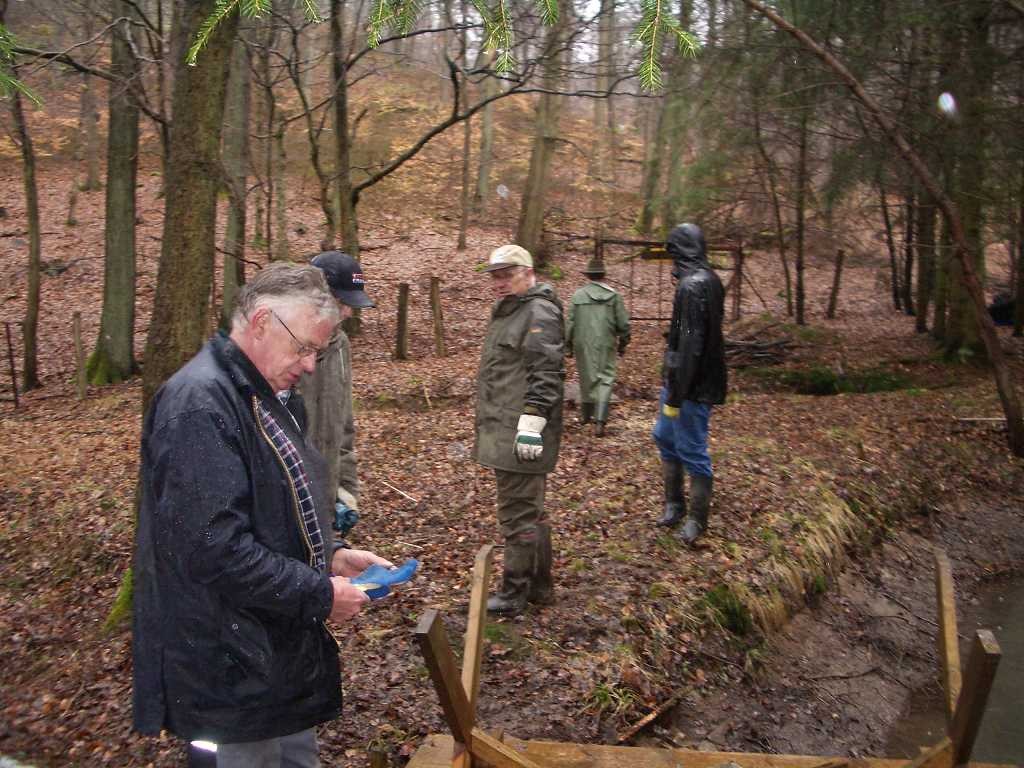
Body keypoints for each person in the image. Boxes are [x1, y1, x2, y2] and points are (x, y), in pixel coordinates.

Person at [132, 263, 392, 767]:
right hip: (227, 663)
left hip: (273, 648)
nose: (311, 365)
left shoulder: (267, 397)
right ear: (261, 323)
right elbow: (214, 548)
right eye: (304, 348)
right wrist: (317, 594)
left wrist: (331, 555)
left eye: (318, 351)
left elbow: (275, 508)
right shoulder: (200, 406)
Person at [474, 244, 565, 616]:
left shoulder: (537, 311)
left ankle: (515, 593)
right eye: (495, 275)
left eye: (507, 274)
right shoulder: (512, 310)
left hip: (519, 430)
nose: (499, 282)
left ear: (528, 273)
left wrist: (531, 423)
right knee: (530, 511)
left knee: (518, 514)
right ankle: (540, 586)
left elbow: (547, 373)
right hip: (504, 426)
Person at [653, 223, 727, 545]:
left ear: (680, 251)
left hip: (691, 387)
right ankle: (674, 504)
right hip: (686, 381)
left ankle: (697, 519)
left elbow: (690, 345)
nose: (670, 261)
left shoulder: (693, 287)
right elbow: (682, 341)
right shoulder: (707, 280)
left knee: (692, 448)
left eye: (672, 252)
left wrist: (677, 392)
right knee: (665, 436)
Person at [300, 251, 375, 537]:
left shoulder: (340, 345)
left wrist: (345, 490)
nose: (347, 313)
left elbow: (343, 428)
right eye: (341, 302)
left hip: (324, 497)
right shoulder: (280, 346)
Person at [565, 256, 630, 435]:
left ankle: (586, 416)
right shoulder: (614, 296)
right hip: (606, 342)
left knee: (586, 375)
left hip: (582, 342)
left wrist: (567, 345)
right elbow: (623, 324)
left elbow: (570, 322)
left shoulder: (578, 295)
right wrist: (624, 341)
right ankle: (600, 420)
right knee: (605, 378)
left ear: (588, 276)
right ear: (604, 276)